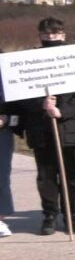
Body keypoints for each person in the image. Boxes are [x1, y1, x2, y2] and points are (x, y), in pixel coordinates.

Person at [9, 17, 75, 235]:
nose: (50, 37)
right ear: (40, 36)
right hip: (41, 130)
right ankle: (50, 215)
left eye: (54, 33)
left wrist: (62, 111)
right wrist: (42, 105)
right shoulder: (30, 60)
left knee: (71, 176)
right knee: (46, 176)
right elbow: (19, 95)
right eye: (46, 34)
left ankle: (70, 214)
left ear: (63, 35)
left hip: (70, 129)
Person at [0, 72, 15, 237]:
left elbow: (17, 104)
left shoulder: (5, 68)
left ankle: (0, 218)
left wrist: (7, 119)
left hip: (2, 131)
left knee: (1, 175)